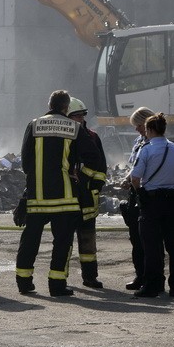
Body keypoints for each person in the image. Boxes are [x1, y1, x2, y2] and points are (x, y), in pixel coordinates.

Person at [14, 90, 96, 297]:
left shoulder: (34, 125)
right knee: (62, 242)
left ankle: (24, 282)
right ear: (66, 107)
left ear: (49, 104)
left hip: (37, 197)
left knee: (30, 240)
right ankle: (57, 285)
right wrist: (79, 175)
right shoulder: (75, 127)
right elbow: (92, 155)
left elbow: (26, 162)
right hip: (65, 199)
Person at [130, 113, 174, 298]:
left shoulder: (146, 150)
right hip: (173, 202)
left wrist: (140, 192)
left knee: (151, 246)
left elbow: (135, 178)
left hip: (152, 202)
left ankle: (152, 286)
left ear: (149, 130)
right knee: (173, 246)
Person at [67, 97, 107, 289]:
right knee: (64, 239)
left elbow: (101, 168)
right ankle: (60, 277)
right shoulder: (61, 139)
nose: (81, 120)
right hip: (66, 196)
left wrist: (94, 185)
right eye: (76, 116)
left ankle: (90, 276)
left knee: (87, 240)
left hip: (86, 197)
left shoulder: (92, 137)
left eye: (82, 116)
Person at [121, 107, 155, 290]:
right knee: (135, 237)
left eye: (138, 125)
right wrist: (127, 180)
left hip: (148, 194)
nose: (136, 130)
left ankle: (151, 278)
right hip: (136, 193)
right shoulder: (138, 142)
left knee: (149, 240)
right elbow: (134, 167)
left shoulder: (156, 144)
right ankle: (139, 275)